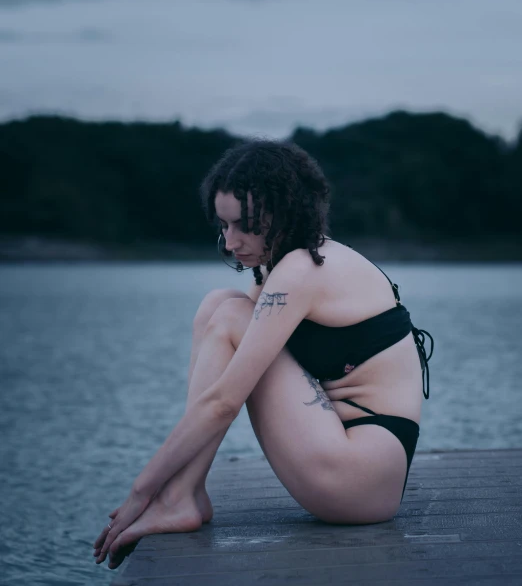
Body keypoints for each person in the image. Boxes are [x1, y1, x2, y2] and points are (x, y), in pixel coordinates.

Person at [93, 139, 433, 569]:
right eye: (223, 225)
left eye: (243, 226)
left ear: (282, 214)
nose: (231, 241)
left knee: (231, 313)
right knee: (219, 303)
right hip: (352, 468)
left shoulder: (303, 269)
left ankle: (178, 496)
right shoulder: (284, 267)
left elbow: (223, 401)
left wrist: (140, 492)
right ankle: (185, 493)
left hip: (359, 478)